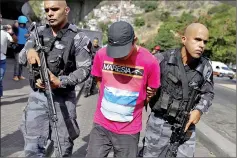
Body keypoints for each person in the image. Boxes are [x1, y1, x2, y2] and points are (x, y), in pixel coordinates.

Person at [18, 0, 92, 157]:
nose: (50, 13)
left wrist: (61, 81)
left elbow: (85, 69)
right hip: (38, 97)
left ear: (66, 10)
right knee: (32, 146)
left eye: (54, 9)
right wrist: (29, 51)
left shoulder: (79, 38)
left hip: (63, 99)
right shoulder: (37, 33)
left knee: (63, 146)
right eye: (46, 10)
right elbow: (21, 58)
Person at [86, 21, 161, 157]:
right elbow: (98, 79)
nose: (119, 56)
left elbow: (151, 92)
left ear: (135, 40)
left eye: (123, 51)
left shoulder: (150, 62)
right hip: (101, 125)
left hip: (128, 130)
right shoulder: (102, 54)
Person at [141, 23, 214, 157]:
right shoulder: (162, 59)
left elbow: (208, 93)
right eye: (197, 39)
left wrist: (199, 110)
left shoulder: (205, 67)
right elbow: (142, 82)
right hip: (159, 123)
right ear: (184, 39)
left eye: (205, 41)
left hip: (185, 125)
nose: (202, 45)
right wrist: (148, 92)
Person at [0, 13, 16, 98]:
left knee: (0, 78)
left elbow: (14, 41)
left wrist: (12, 33)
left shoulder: (5, 32)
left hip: (2, 60)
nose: (0, 19)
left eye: (1, 18)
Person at [13, 15, 29, 81]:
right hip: (17, 47)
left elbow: (27, 36)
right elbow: (14, 25)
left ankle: (20, 75)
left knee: (21, 62)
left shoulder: (26, 29)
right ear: (20, 23)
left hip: (23, 47)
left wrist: (28, 35)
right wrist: (16, 22)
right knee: (17, 62)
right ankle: (15, 75)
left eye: (24, 23)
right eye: (21, 23)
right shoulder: (16, 29)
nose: (23, 24)